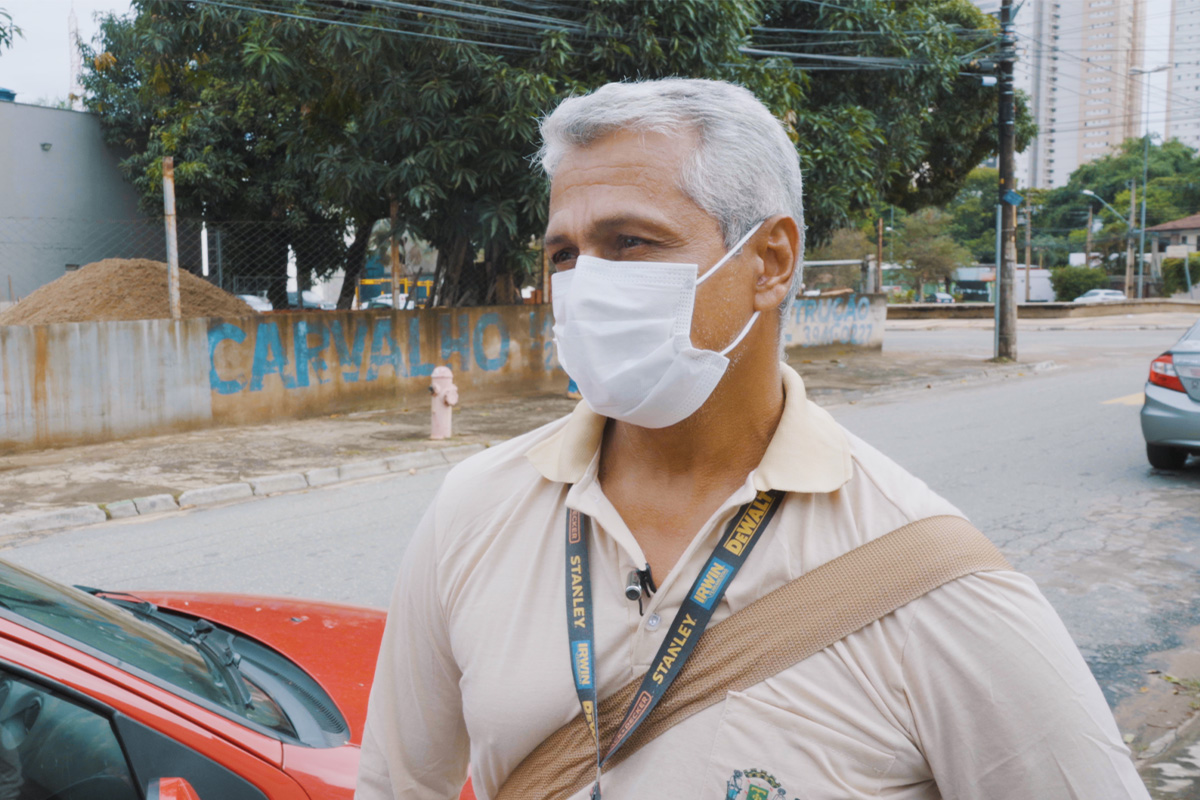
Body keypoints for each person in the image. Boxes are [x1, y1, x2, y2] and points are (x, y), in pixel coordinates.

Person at [356, 78, 1148, 799]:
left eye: (630, 242)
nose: (583, 285)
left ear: (770, 261)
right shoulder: (474, 509)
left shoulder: (936, 582)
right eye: (564, 253)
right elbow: (397, 784)